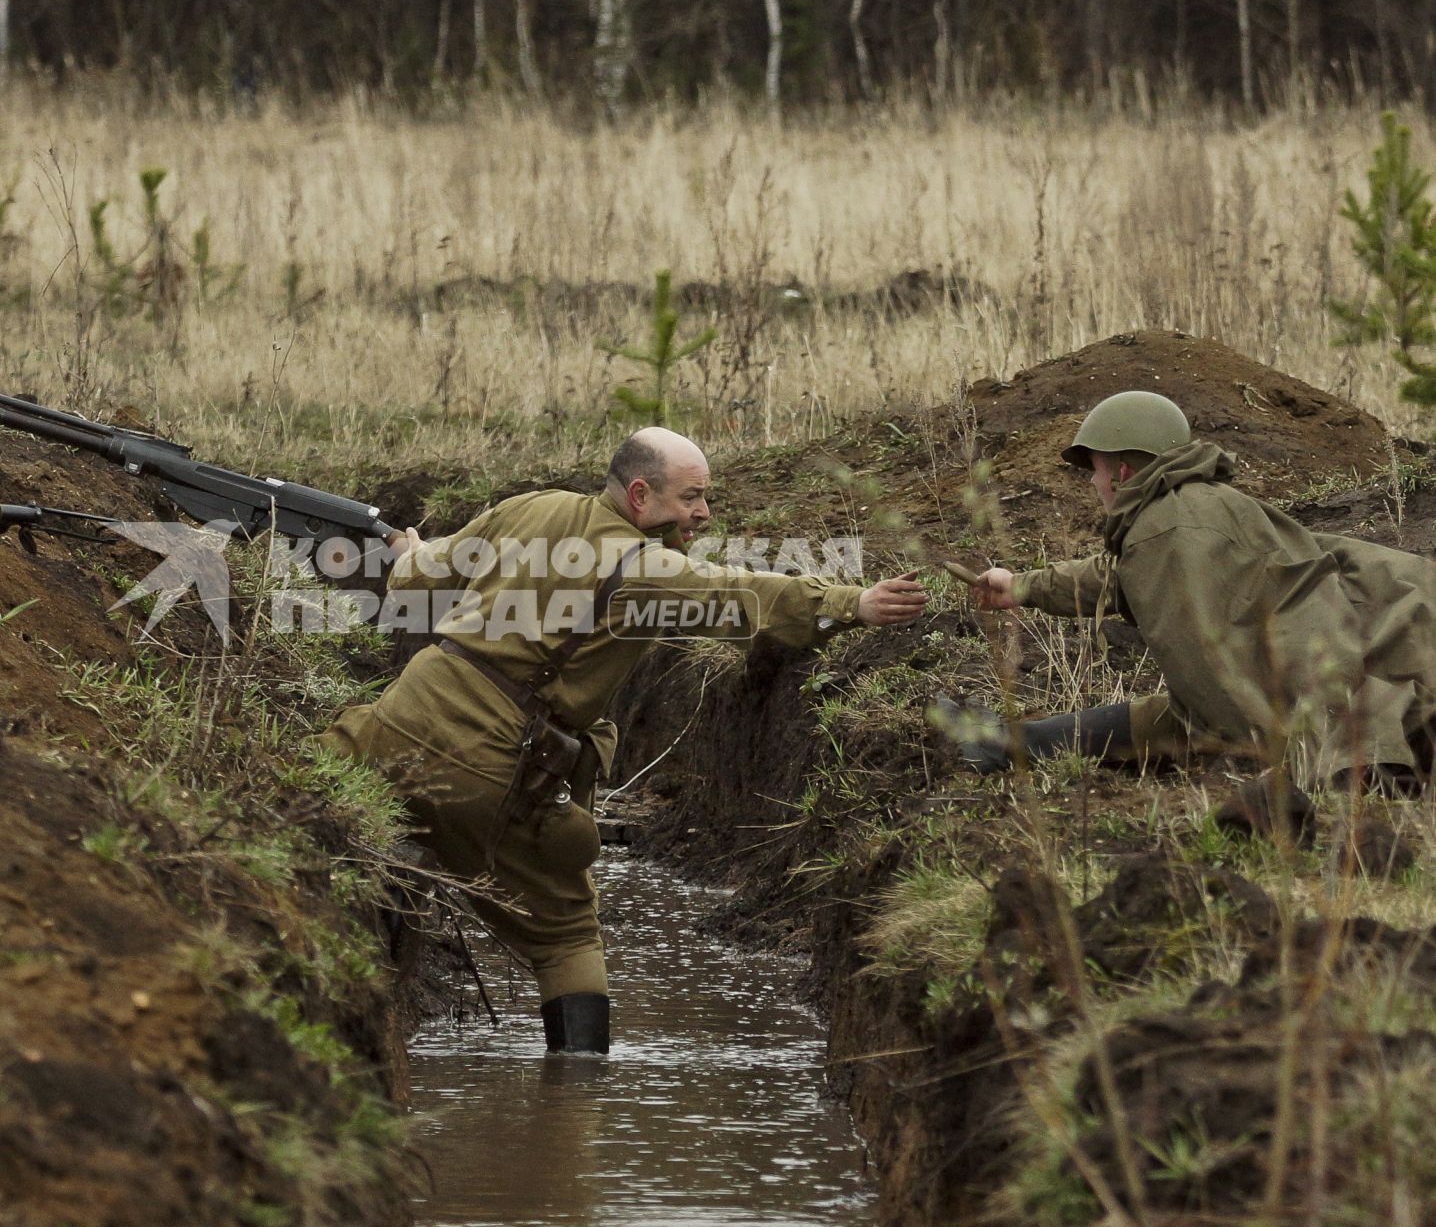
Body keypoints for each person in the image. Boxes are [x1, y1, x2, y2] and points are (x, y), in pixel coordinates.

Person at [322, 426, 928, 1054]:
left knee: (302, 797)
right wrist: (855, 601)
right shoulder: (646, 570)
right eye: (692, 497)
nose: (704, 512)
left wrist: (410, 548)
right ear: (641, 494)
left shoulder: (527, 506)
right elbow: (739, 595)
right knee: (566, 937)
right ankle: (575, 1102)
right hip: (493, 767)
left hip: (394, 726)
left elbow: (414, 580)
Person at [953, 390, 1436, 801]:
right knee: (1181, 716)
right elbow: (1119, 576)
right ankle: (1009, 743)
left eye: (1096, 472)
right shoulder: (1188, 509)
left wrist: (1303, 761)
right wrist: (1022, 586)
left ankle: (1006, 744)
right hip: (1387, 637)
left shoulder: (1169, 527)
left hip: (1393, 665)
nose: (1094, 484)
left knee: (1193, 718)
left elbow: (1253, 674)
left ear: (1121, 473)